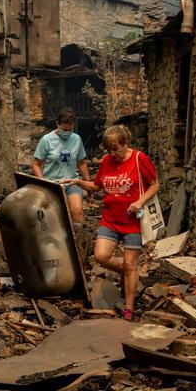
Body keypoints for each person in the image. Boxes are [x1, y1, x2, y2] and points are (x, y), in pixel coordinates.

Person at [66, 124, 159, 321]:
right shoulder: (107, 161)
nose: (112, 153)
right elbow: (96, 186)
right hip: (110, 219)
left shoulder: (138, 159)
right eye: (109, 150)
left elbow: (154, 184)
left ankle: (129, 307)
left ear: (125, 144)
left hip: (133, 222)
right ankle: (126, 272)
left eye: (115, 149)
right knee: (100, 256)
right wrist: (77, 182)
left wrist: (139, 201)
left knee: (130, 263)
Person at [31, 108, 90, 227]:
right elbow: (36, 163)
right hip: (53, 184)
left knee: (77, 211)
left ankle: (81, 242)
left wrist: (88, 184)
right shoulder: (46, 140)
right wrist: (43, 181)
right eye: (64, 129)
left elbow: (81, 162)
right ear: (57, 124)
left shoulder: (76, 139)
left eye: (70, 129)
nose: (67, 132)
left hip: (72, 182)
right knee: (54, 217)